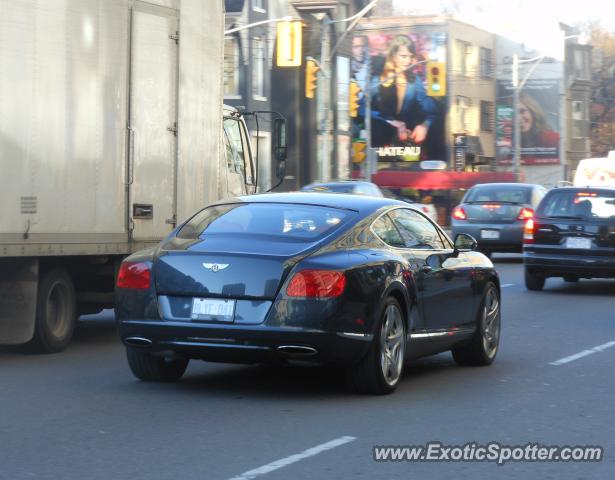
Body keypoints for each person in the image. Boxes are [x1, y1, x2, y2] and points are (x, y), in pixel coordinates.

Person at [368, 35, 439, 149]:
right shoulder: (378, 80)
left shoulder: (414, 81)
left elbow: (432, 111)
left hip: (404, 146)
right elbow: (362, 108)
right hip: (377, 143)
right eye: (403, 56)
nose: (408, 61)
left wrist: (425, 125)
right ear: (392, 56)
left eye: (410, 57)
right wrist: (390, 121)